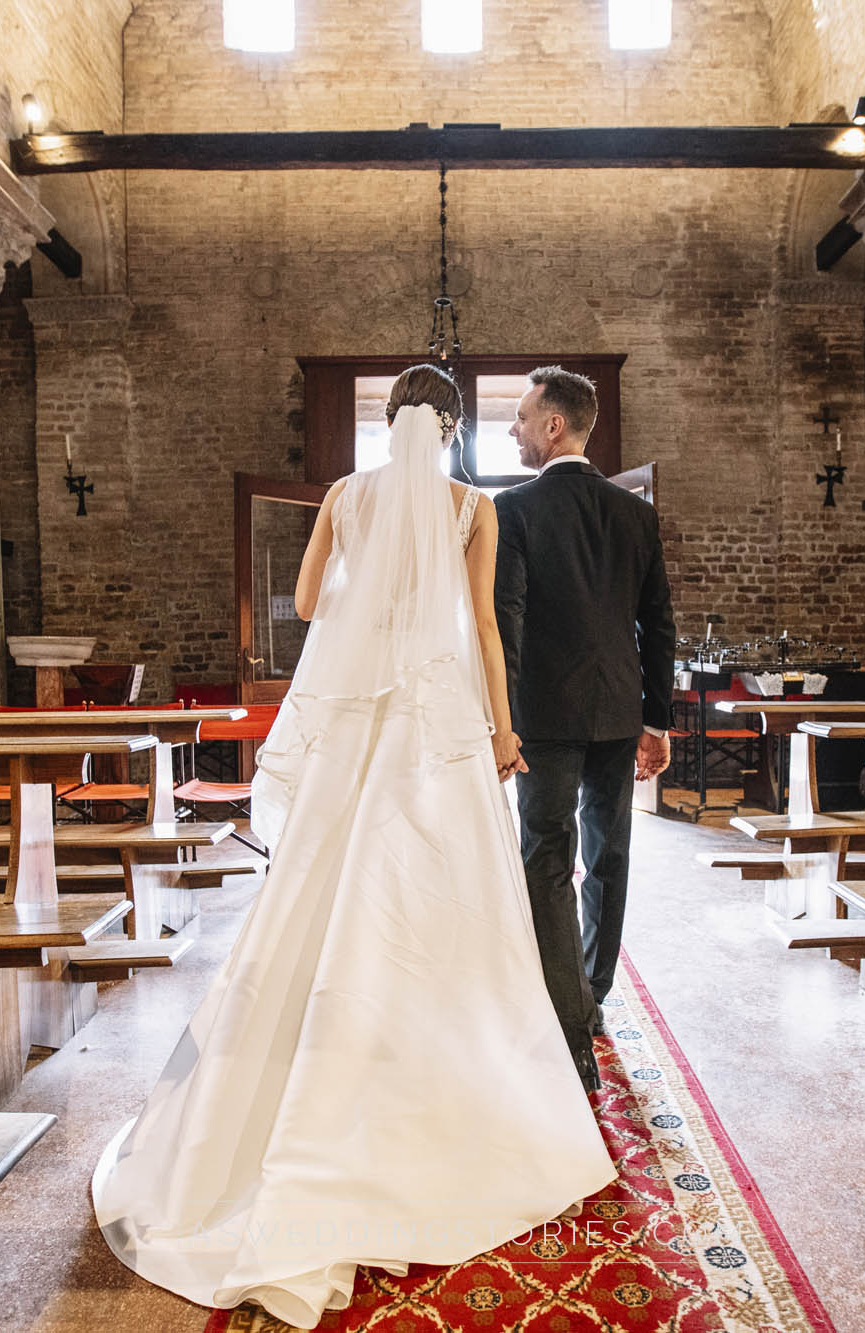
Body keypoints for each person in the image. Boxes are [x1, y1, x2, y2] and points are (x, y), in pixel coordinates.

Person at [91, 364, 615, 1330]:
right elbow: (489, 635)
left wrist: (365, 595)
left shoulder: (343, 494)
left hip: (360, 735)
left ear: (386, 421)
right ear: (451, 429)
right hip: (438, 733)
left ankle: (290, 1104)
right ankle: (443, 1097)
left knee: (323, 899)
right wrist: (501, 731)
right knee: (440, 909)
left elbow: (306, 606)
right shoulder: (472, 508)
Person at [495, 366, 676, 1091]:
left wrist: (501, 719)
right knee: (609, 857)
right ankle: (593, 995)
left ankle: (570, 1023)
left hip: (542, 716)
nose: (512, 428)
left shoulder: (515, 510)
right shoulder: (634, 513)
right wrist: (655, 718)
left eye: (520, 416)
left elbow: (507, 620)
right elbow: (657, 622)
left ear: (553, 426)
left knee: (546, 858)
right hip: (618, 709)